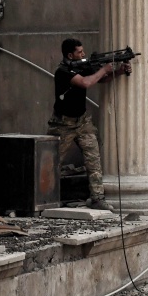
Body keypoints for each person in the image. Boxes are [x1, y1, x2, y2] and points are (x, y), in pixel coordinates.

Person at [48, 38, 132, 211]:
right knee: (51, 162)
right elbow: (86, 82)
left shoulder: (81, 67)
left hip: (82, 121)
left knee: (93, 160)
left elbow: (100, 79)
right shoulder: (62, 71)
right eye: (79, 52)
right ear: (70, 55)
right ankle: (44, 197)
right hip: (63, 124)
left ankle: (97, 198)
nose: (83, 54)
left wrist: (119, 71)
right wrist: (104, 69)